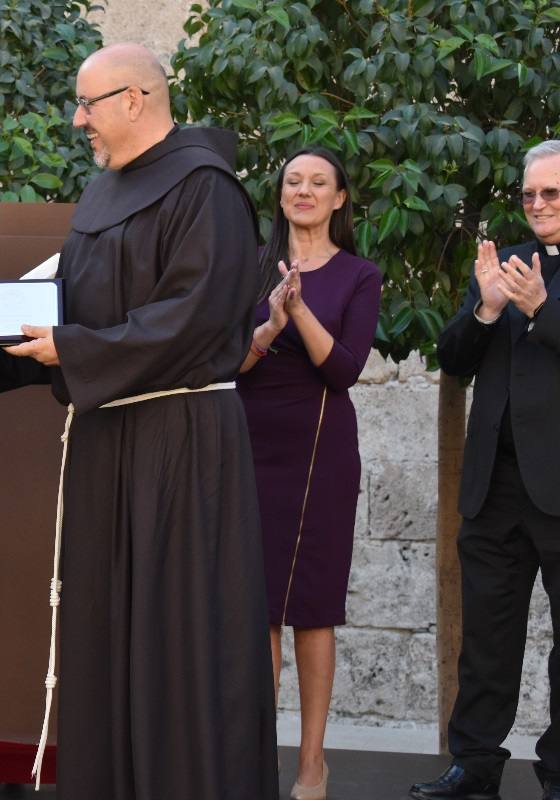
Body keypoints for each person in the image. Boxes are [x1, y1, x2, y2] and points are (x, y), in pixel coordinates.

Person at [0, 42, 279, 798]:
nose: (79, 120)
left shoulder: (206, 190)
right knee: (105, 635)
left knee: (178, 637)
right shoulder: (104, 190)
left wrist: (72, 348)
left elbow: (192, 320)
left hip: (180, 446)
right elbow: (73, 302)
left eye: (89, 105)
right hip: (108, 440)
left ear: (136, 100)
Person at [411, 141, 560, 800]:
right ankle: (473, 767)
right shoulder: (508, 267)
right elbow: (453, 358)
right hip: (493, 491)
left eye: (551, 194)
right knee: (488, 643)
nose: (537, 205)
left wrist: (543, 312)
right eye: (530, 194)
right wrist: (488, 308)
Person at [236, 148, 381, 800]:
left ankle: (312, 764)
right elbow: (228, 362)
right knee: (257, 608)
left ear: (340, 198)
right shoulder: (250, 268)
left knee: (312, 610)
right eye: (293, 180)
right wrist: (268, 325)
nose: (304, 191)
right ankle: (259, 760)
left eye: (318, 182)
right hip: (249, 442)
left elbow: (344, 369)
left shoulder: (358, 274)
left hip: (321, 450)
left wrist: (298, 313)